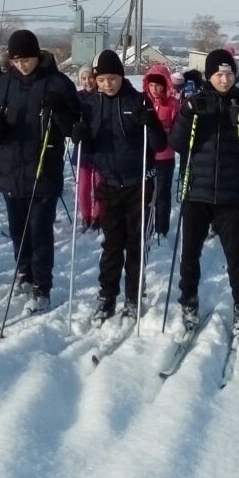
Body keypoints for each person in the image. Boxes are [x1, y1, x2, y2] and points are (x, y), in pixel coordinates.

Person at [169, 49, 239, 339]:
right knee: (190, 253)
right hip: (196, 192)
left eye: (229, 74)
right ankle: (188, 301)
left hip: (230, 193)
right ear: (209, 76)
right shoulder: (196, 103)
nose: (224, 79)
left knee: (236, 255)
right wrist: (186, 114)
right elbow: (177, 143)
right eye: (219, 74)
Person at [0, 29, 80, 313]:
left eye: (26, 59)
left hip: (43, 168)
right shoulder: (4, 82)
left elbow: (73, 127)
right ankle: (24, 272)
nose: (22, 65)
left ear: (37, 55)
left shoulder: (58, 83)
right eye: (16, 60)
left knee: (39, 230)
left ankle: (42, 284)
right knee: (17, 229)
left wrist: (60, 111)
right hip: (10, 166)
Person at [72, 50, 165, 323]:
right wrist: (79, 136)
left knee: (135, 244)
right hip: (109, 184)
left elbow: (159, 144)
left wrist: (152, 124)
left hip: (138, 183)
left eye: (112, 78)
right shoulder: (91, 105)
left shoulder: (138, 101)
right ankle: (107, 295)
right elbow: (89, 148)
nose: (107, 84)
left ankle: (133, 296)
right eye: (101, 80)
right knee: (111, 244)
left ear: (121, 77)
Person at [142, 64, 179, 238]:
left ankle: (161, 228)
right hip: (147, 156)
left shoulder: (172, 104)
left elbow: (177, 128)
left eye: (158, 85)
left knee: (162, 193)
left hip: (165, 156)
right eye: (151, 85)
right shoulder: (144, 103)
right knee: (146, 193)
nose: (154, 89)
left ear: (165, 85)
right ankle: (146, 225)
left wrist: (164, 131)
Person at [74, 65, 104, 232]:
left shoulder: (102, 96)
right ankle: (86, 215)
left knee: (99, 183)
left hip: (100, 146)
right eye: (84, 78)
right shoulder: (77, 97)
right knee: (83, 185)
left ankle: (97, 215)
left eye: (90, 78)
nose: (87, 81)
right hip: (84, 147)